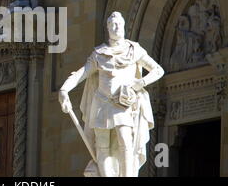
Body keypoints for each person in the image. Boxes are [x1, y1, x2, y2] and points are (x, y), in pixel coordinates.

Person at [58, 11, 164, 177]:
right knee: (102, 146)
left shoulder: (134, 50)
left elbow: (158, 70)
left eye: (119, 24)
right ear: (108, 29)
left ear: (123, 27)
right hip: (101, 104)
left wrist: (140, 83)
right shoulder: (99, 54)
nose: (117, 27)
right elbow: (81, 74)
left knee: (125, 141)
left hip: (122, 104)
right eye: (113, 25)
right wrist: (64, 90)